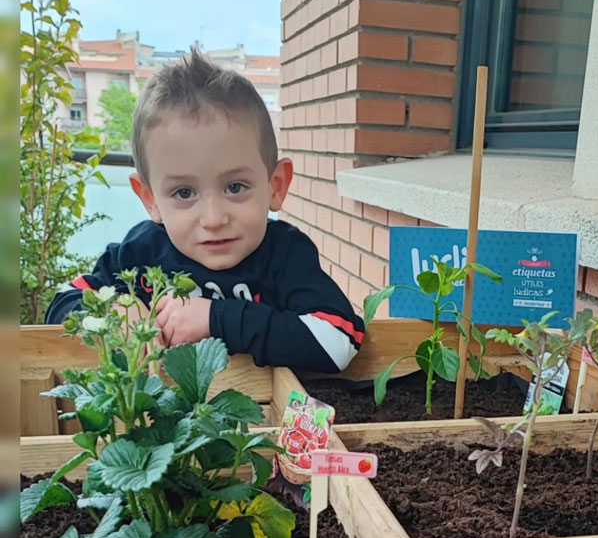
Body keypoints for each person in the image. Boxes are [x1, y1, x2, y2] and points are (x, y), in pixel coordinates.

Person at [46, 49, 364, 373]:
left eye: (235, 187)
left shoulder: (284, 254)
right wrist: (114, 310)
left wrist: (217, 318)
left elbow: (339, 340)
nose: (214, 219)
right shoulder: (140, 251)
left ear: (276, 186)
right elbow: (61, 303)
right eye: (184, 192)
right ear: (150, 199)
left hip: (266, 420)